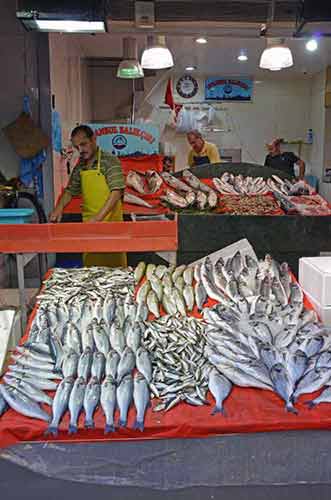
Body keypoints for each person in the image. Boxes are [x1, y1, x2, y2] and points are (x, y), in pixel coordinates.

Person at [49, 125, 127, 268]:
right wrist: (58, 209)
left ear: (93, 139)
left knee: (114, 271)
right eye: (76, 147)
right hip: (90, 227)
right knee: (91, 270)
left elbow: (116, 192)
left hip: (111, 226)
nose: (81, 150)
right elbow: (70, 190)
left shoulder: (109, 161)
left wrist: (98, 218)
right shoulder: (81, 166)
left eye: (83, 144)